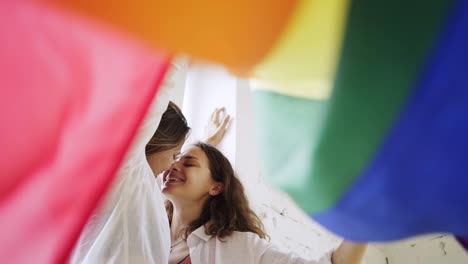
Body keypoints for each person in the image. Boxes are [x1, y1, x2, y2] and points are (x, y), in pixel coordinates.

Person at [70, 63, 230, 264]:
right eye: (174, 156)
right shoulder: (129, 172)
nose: (172, 167)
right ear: (156, 140)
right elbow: (156, 94)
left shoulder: (137, 185)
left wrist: (206, 146)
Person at [162, 142, 367, 264]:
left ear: (216, 187)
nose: (173, 166)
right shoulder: (147, 224)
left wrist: (366, 219)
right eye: (175, 159)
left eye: (188, 163)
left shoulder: (239, 246)